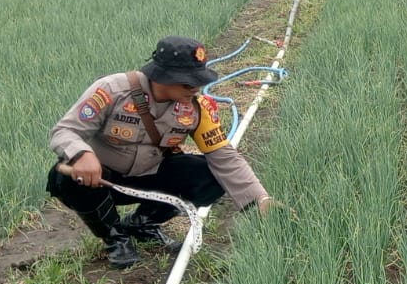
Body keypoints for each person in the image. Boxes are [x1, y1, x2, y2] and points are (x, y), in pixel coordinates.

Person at [48, 36, 276, 268]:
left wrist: (260, 199)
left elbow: (224, 156)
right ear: (162, 76)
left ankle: (142, 223)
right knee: (65, 176)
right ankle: (115, 236)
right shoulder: (112, 90)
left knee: (210, 176)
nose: (195, 89)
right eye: (188, 83)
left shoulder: (197, 108)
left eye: (199, 81)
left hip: (148, 178)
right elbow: (65, 131)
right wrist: (81, 155)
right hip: (101, 181)